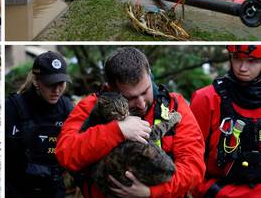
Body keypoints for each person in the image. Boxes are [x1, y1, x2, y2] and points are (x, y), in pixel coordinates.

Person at [56, 47, 205, 197]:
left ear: (150, 74)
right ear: (111, 88)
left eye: (145, 91)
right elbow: (66, 154)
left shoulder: (174, 105)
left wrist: (151, 193)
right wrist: (116, 131)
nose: (141, 104)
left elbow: (194, 168)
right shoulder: (91, 106)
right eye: (130, 98)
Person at [190, 45, 261, 198]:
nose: (242, 68)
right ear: (230, 58)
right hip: (216, 191)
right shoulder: (206, 99)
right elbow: (190, 162)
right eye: (237, 59)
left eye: (252, 61)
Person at [6, 51, 74, 198]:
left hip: (54, 189)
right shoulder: (12, 108)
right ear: (36, 81)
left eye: (61, 84)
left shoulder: (68, 108)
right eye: (50, 84)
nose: (56, 90)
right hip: (18, 189)